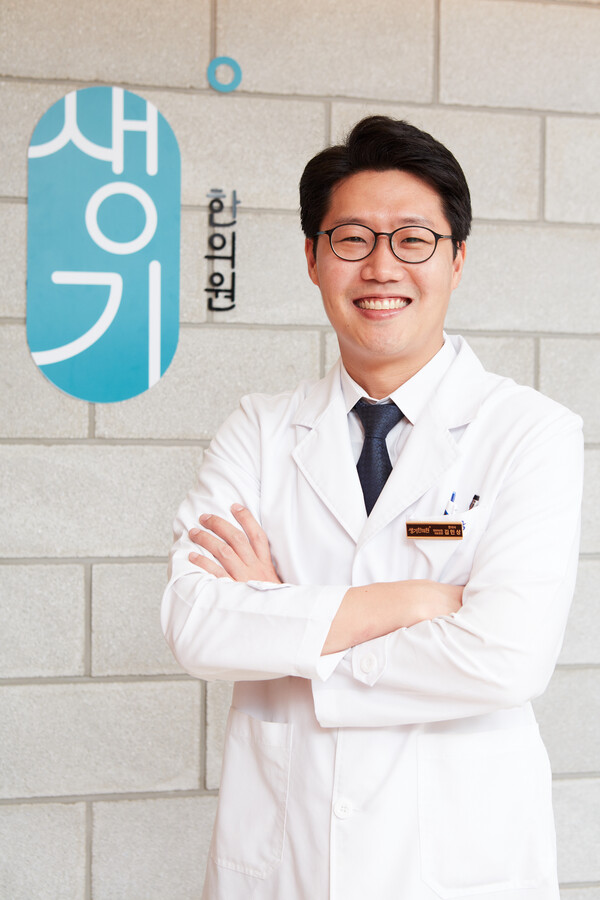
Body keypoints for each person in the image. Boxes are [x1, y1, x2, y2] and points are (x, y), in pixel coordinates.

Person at [161, 116, 583, 900]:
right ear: (313, 259)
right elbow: (196, 625)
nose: (381, 266)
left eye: (413, 240)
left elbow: (508, 655)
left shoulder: (531, 433)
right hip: (285, 862)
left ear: (457, 259)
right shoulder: (258, 430)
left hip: (458, 865)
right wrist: (411, 603)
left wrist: (284, 620)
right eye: (351, 238)